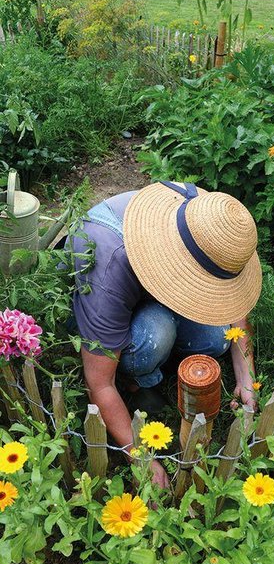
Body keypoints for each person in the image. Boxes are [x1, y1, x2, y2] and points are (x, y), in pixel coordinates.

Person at [69, 181, 262, 488]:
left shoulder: (211, 221)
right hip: (113, 272)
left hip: (143, 273)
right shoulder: (108, 266)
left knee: (216, 337)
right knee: (155, 334)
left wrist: (246, 378)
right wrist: (141, 457)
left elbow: (235, 311)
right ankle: (138, 378)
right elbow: (99, 383)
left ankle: (157, 349)